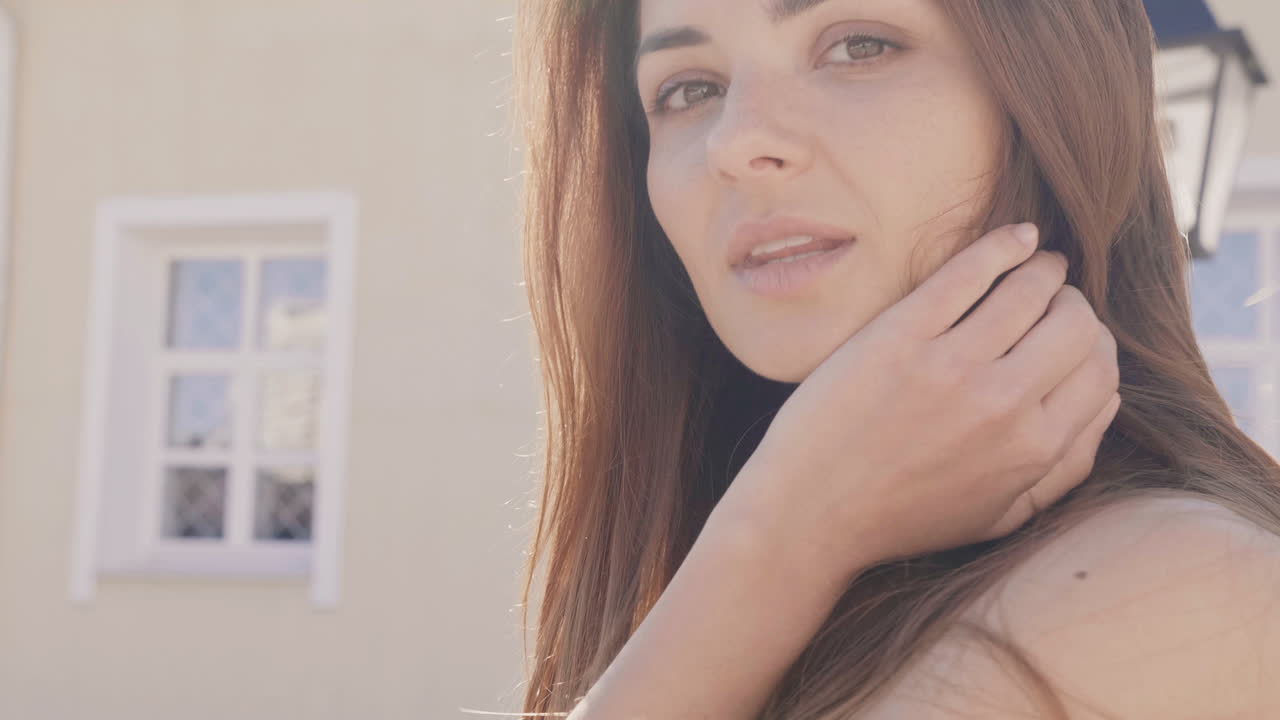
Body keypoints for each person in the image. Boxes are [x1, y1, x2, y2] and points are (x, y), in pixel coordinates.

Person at [509, 0, 1280, 717]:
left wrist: (780, 537)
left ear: (1053, 93)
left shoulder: (1171, 589)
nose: (735, 142)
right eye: (687, 89)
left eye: (858, 46)